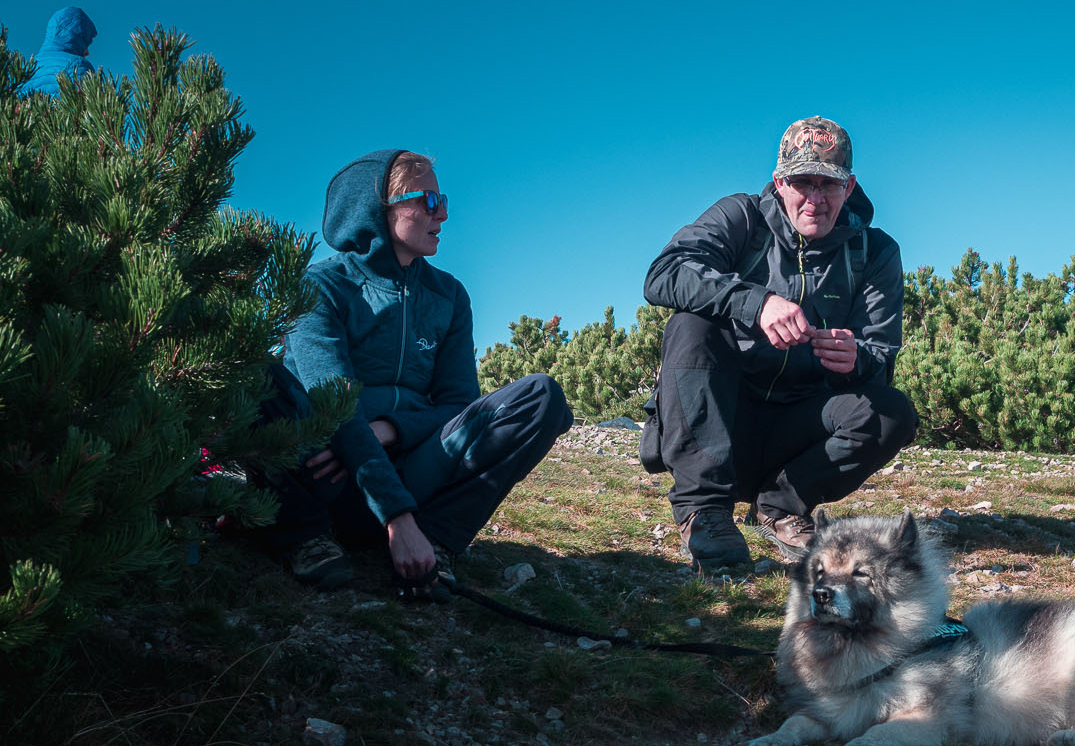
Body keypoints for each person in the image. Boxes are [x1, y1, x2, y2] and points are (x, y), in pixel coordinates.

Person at [254, 149, 572, 596]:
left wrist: (389, 430)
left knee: (541, 397)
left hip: (413, 469)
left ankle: (436, 541)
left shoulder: (448, 295)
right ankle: (305, 537)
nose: (442, 213)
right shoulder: (321, 287)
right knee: (256, 372)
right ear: (377, 208)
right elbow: (335, 405)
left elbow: (459, 405)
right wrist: (396, 518)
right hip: (328, 479)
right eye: (428, 200)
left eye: (444, 200)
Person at [641, 116, 918, 568]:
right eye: (801, 182)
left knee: (893, 412)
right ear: (779, 182)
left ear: (849, 188)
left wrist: (857, 358)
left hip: (799, 432)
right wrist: (756, 303)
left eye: (828, 185)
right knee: (692, 325)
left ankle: (781, 506)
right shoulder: (741, 217)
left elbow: (881, 353)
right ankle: (703, 510)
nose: (814, 199)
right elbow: (664, 274)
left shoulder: (874, 251)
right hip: (722, 424)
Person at [20, 7, 96, 98]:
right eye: (85, 42)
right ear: (77, 38)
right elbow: (92, 108)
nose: (87, 52)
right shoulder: (78, 65)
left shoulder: (25, 69)